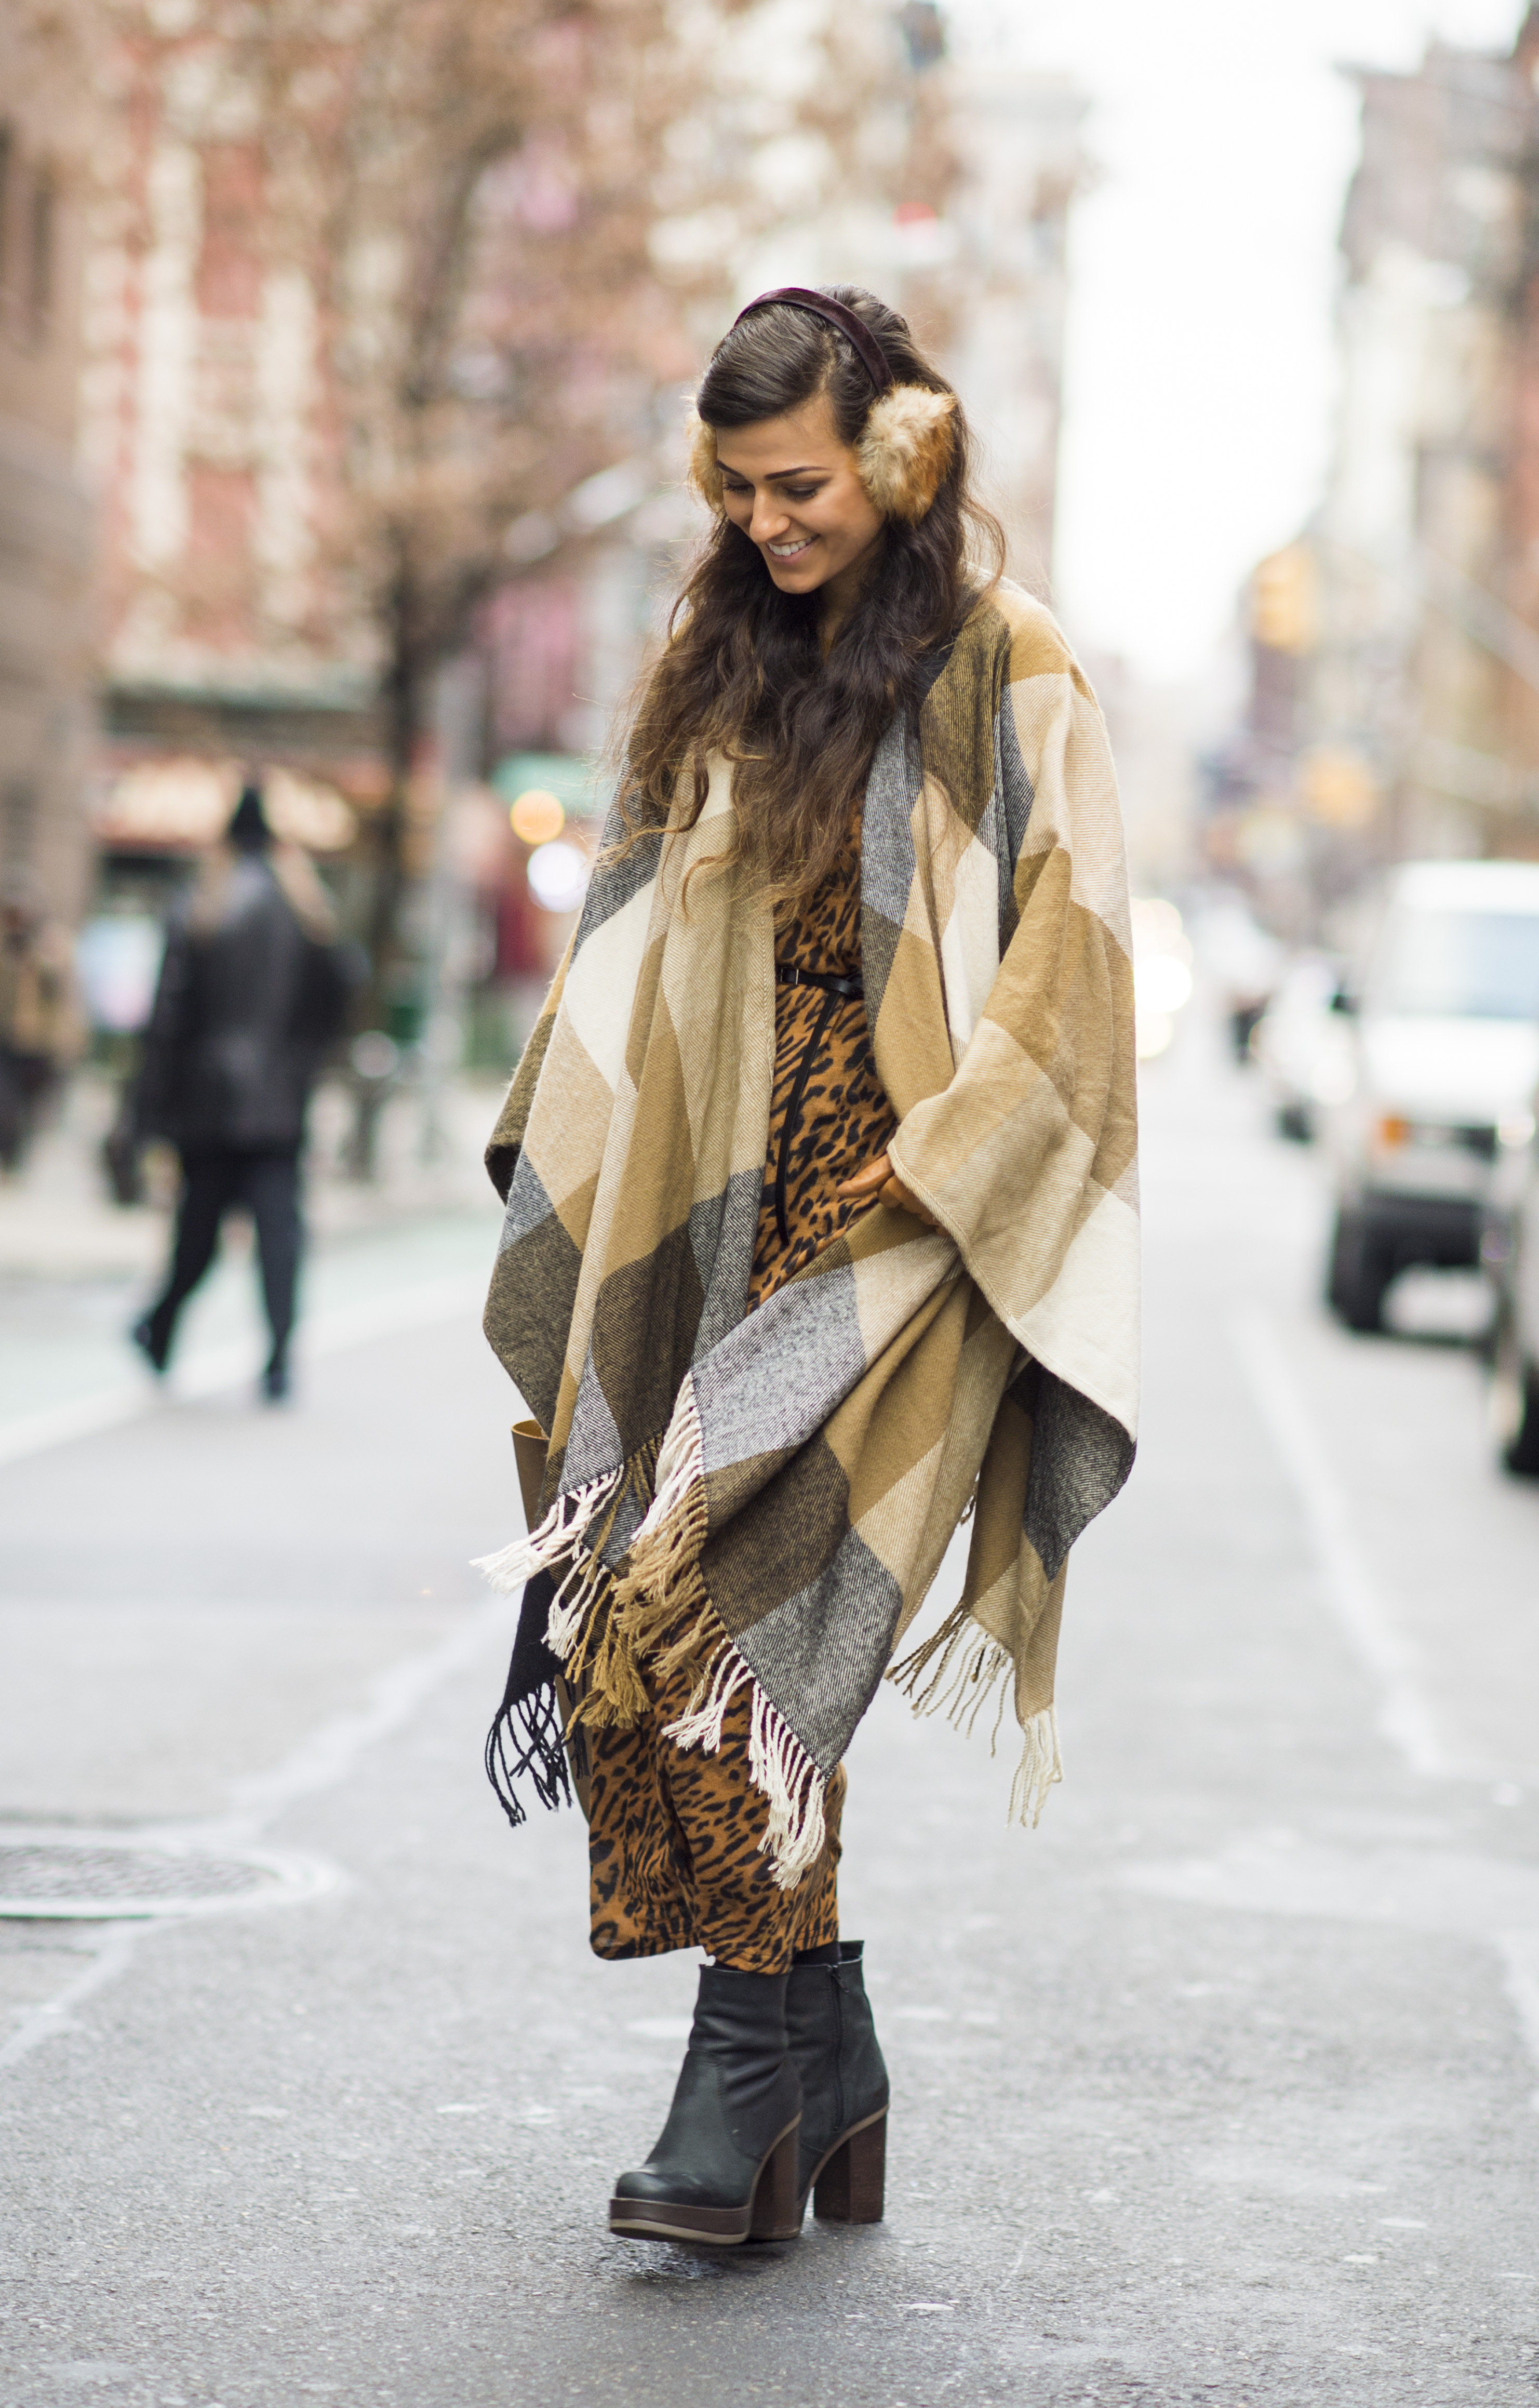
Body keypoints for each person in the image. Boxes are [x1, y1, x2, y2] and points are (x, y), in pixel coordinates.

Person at [476, 285, 1140, 2246]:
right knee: (652, 1626)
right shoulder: (720, 665)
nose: (770, 524)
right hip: (716, 1213)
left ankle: (742, 2071)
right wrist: (576, 1181)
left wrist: (941, 1191)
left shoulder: (1012, 677)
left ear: (907, 456)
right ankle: (818, 2055)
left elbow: (1070, 987)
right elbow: (624, 929)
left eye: (804, 485)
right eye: (741, 489)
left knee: (723, 1619)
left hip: (908, 1233)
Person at [127, 782, 358, 1403]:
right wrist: (302, 1067)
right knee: (279, 1236)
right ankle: (278, 1359)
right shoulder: (309, 912)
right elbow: (341, 1000)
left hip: (206, 1108)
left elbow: (166, 1022)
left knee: (195, 1236)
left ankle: (160, 1329)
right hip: (280, 1109)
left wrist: (145, 1116)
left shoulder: (201, 905)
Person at [0, 883, 82, 1175]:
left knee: (27, 1104)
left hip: (38, 1041)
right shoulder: (7, 942)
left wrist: (67, 1040)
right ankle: (9, 1153)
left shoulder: (51, 943)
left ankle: (16, 1156)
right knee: (6, 1100)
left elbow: (64, 992)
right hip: (7, 1037)